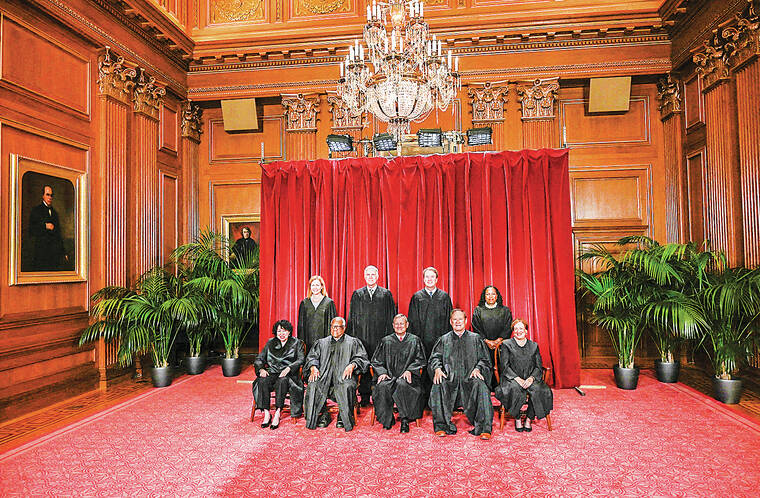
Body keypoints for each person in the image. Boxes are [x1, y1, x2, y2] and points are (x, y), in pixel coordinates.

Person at [429, 309, 493, 440]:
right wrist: (437, 369)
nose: (458, 322)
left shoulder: (475, 339)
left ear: (466, 321)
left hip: (469, 378)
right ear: (450, 322)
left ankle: (484, 428)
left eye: (460, 319)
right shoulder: (444, 340)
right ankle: (441, 426)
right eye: (455, 319)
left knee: (481, 386)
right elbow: (435, 358)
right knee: (438, 384)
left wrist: (478, 368)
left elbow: (485, 359)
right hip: (449, 378)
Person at [303, 317, 370, 432]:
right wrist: (313, 367)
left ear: (344, 328)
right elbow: (312, 357)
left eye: (338, 327)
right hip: (324, 376)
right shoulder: (322, 343)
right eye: (333, 326)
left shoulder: (353, 342)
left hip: (344, 377)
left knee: (347, 385)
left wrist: (352, 365)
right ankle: (322, 414)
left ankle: (343, 416)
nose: (335, 329)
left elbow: (362, 358)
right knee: (313, 384)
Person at [347, 265, 396, 406]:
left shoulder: (385, 294)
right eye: (368, 275)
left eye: (373, 274)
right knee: (363, 365)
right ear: (364, 276)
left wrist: (389, 338)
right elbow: (352, 318)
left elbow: (391, 317)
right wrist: (353, 338)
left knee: (379, 365)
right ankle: (364, 396)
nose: (370, 277)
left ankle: (379, 396)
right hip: (362, 337)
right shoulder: (357, 294)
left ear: (378, 276)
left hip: (380, 337)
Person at [495, 318, 553, 432]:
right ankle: (517, 418)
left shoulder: (534, 346)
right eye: (516, 329)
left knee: (539, 390)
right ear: (513, 331)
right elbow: (504, 366)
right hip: (511, 378)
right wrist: (517, 379)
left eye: (521, 328)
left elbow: (538, 366)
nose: (518, 331)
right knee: (514, 389)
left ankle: (529, 418)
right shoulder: (506, 344)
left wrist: (531, 378)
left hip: (531, 378)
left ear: (526, 331)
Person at [371, 314, 427, 433]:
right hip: (389, 376)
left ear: (407, 325)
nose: (399, 326)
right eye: (396, 324)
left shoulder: (414, 340)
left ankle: (405, 419)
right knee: (382, 386)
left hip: (408, 378)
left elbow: (420, 360)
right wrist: (382, 372)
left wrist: (410, 370)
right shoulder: (386, 341)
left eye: (402, 323)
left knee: (402, 384)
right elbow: (376, 361)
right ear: (393, 325)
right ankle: (387, 419)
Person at [251, 320, 305, 430]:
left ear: (289, 332)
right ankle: (267, 413)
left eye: (284, 331)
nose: (281, 334)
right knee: (262, 380)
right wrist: (261, 369)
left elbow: (301, 359)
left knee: (282, 381)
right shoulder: (270, 342)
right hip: (272, 372)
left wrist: (289, 368)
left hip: (289, 374)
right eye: (279, 331)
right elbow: (259, 358)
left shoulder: (296, 343)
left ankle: (277, 413)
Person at [407, 267, 453, 357]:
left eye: (432, 277)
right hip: (422, 340)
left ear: (436, 279)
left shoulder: (444, 297)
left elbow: (449, 320)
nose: (429, 279)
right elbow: (412, 321)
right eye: (427, 277)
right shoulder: (417, 297)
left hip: (441, 340)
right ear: (423, 279)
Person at [28, 185, 68, 271]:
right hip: (41, 253)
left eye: (51, 195)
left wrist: (63, 252)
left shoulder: (55, 213)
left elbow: (58, 235)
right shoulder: (36, 210)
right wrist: (45, 226)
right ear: (43, 196)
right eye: (47, 194)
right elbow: (31, 230)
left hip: (54, 255)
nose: (50, 197)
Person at [297, 275, 338, 352]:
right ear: (310, 287)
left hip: (325, 343)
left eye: (317, 285)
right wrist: (302, 344)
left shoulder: (328, 303)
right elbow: (301, 326)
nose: (315, 287)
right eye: (313, 285)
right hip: (308, 342)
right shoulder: (305, 303)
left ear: (322, 286)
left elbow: (332, 325)